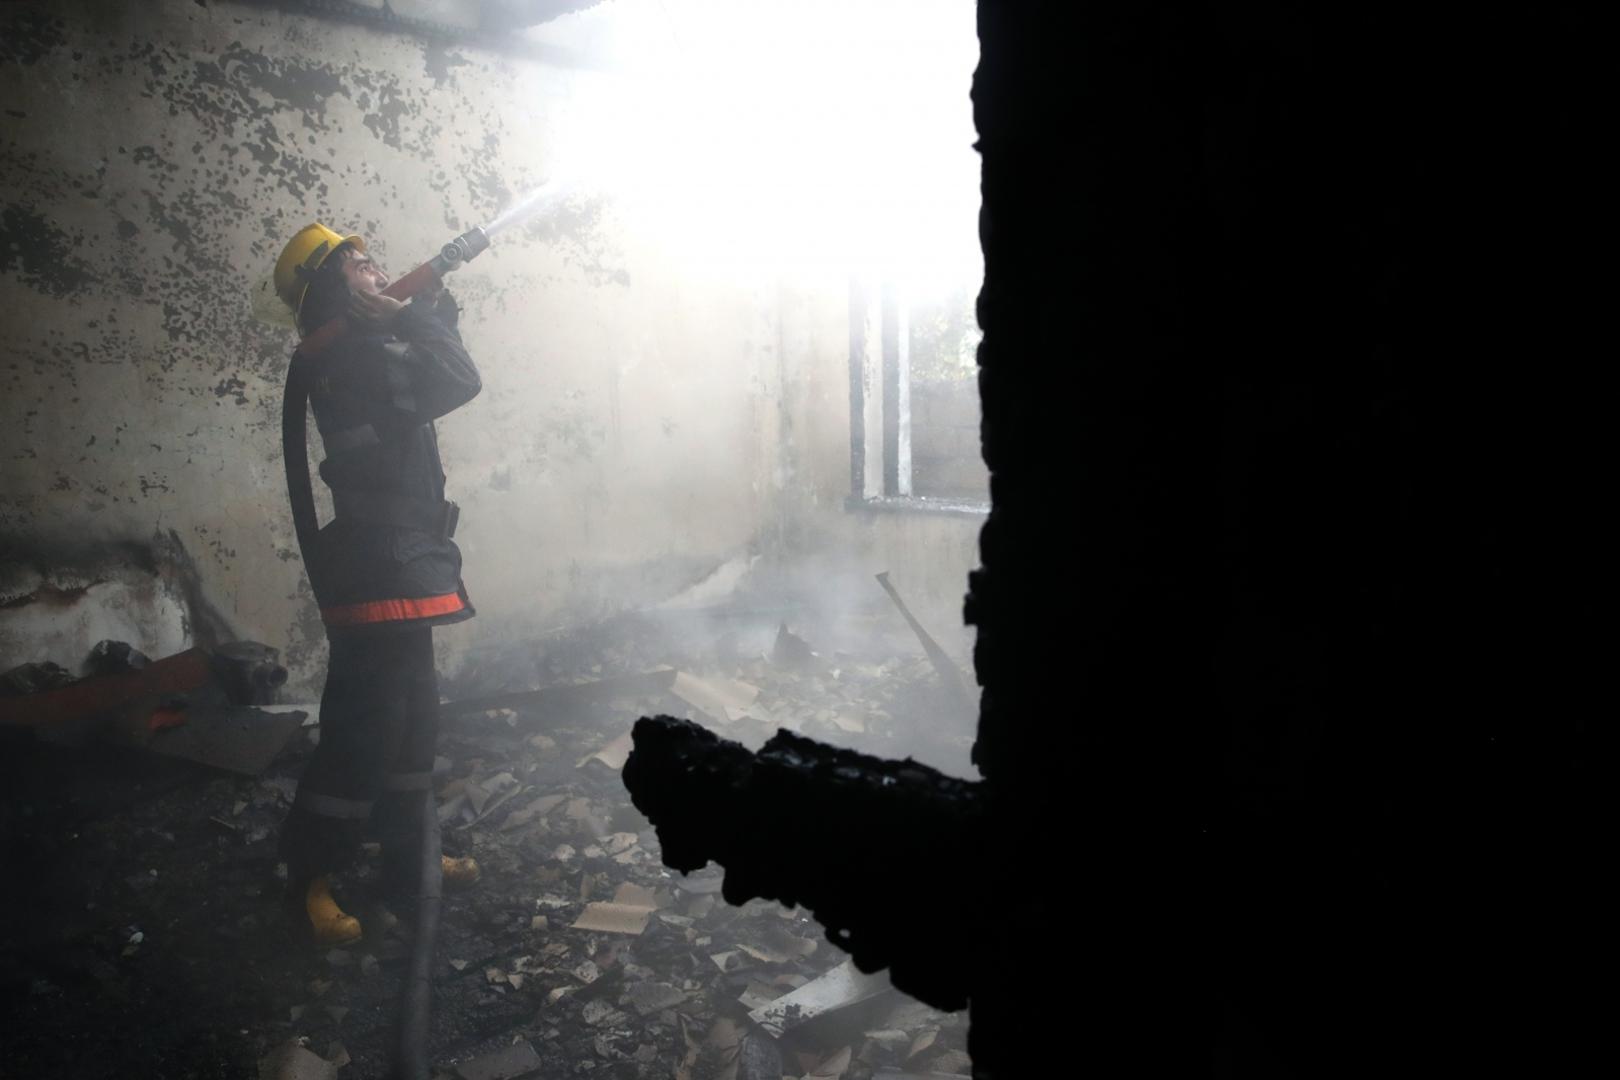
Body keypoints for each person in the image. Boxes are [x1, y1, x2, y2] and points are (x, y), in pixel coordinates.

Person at [270, 223, 482, 946]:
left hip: (406, 555)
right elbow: (455, 378)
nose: (376, 268)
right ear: (331, 287)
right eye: (359, 265)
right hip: (375, 563)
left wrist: (433, 301)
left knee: (415, 720)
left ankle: (409, 862)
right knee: (366, 730)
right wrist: (417, 316)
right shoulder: (353, 360)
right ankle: (306, 875)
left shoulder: (369, 348)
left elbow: (429, 357)